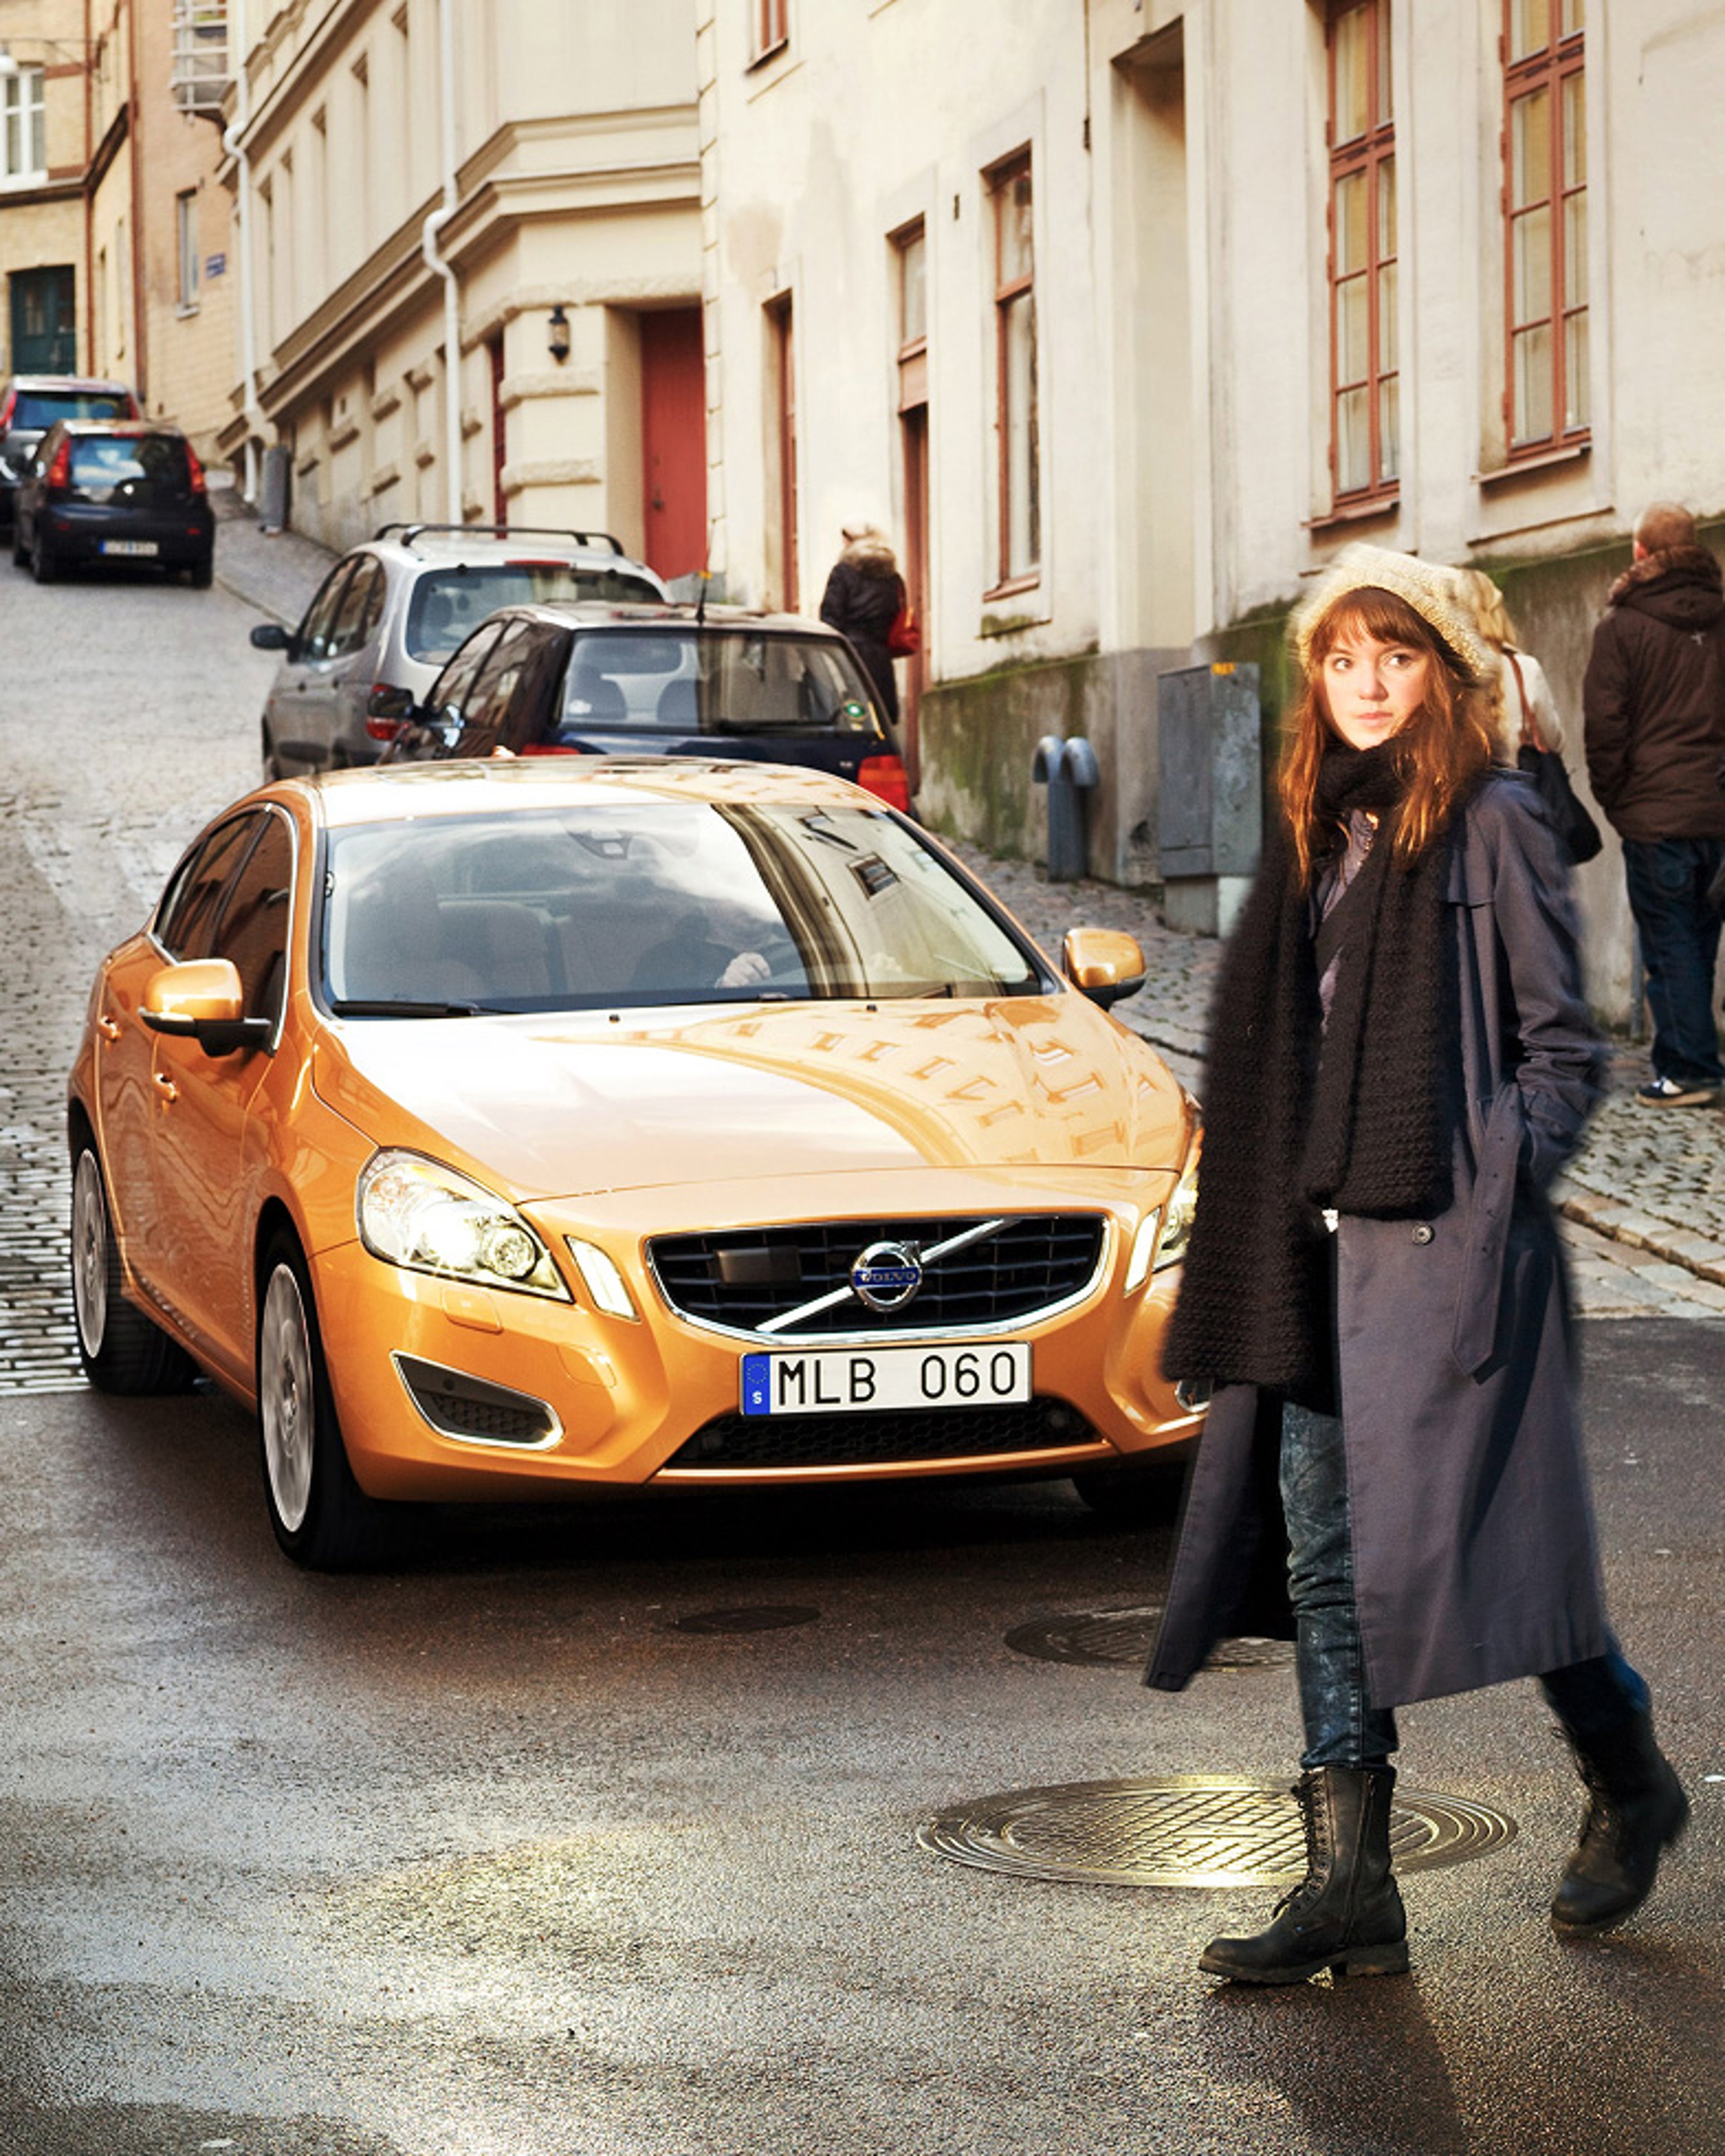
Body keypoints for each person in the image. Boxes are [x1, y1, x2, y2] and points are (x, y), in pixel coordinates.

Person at [1147, 542, 1688, 1986]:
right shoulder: (1316, 822)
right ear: (1312, 678)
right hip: (1308, 1251)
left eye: (1393, 656)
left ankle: (1629, 1778)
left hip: (1443, 1259)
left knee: (1495, 1565)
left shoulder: (1494, 821)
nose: (1366, 683)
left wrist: (1479, 1189)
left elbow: (1562, 1053)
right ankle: (1348, 1881)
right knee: (1325, 1556)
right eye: (1340, 657)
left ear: (1438, 672)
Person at [1583, 503, 1725, 1107]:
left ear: (1640, 552)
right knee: (1703, 938)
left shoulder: (1622, 627)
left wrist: (1617, 799)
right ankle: (1694, 1059)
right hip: (1716, 809)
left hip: (1656, 814)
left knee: (1672, 945)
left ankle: (1689, 1070)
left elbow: (1605, 726)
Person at [1451, 565, 1566, 765]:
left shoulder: (1444, 674)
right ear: (1496, 612)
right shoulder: (1524, 669)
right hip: (1523, 789)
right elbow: (1555, 741)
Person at [819, 522, 908, 734]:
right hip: (881, 656)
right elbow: (898, 612)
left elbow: (830, 617)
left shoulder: (843, 572)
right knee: (881, 719)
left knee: (852, 717)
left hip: (850, 653)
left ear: (850, 541)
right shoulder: (892, 576)